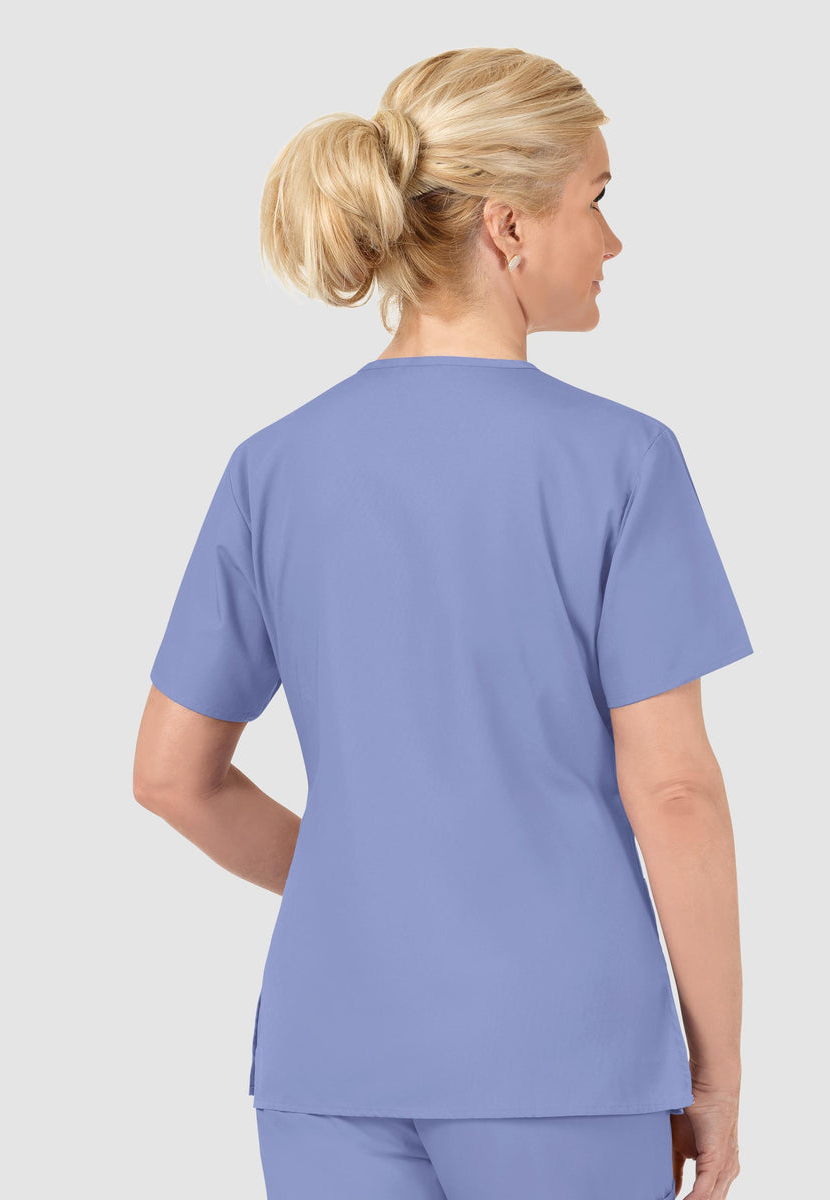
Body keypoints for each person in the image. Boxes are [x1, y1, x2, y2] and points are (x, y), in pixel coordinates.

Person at [133, 46, 752, 1200]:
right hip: (562, 1053)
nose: (613, 241)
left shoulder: (273, 468)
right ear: (508, 228)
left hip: (329, 1049)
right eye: (596, 200)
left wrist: (370, 884)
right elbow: (673, 789)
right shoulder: (622, 462)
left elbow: (173, 778)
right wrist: (716, 1076)